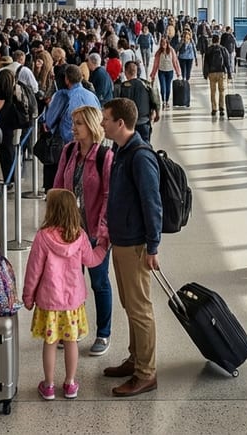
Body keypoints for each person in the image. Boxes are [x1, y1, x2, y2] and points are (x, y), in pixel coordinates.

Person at [100, 98, 163, 397]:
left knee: (140, 309)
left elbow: (153, 203)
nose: (102, 124)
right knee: (129, 304)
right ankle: (136, 358)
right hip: (121, 239)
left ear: (120, 123)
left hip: (136, 243)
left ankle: (146, 373)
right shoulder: (121, 150)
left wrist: (153, 246)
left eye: (106, 119)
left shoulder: (140, 156)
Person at [23, 189, 111, 401]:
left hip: (49, 301)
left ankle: (49, 385)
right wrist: (104, 246)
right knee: (72, 342)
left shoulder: (43, 237)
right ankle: (71, 384)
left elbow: (33, 270)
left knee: (50, 343)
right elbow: (91, 261)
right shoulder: (80, 237)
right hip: (72, 303)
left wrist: (28, 297)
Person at [53, 105, 115, 357]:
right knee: (71, 281)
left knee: (99, 282)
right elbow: (58, 187)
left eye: (78, 123)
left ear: (90, 126)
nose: (73, 128)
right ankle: (72, 328)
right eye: (73, 122)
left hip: (94, 232)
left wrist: (102, 231)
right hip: (70, 231)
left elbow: (109, 195)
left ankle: (104, 332)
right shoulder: (68, 152)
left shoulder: (104, 156)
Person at [116, 62, 160, 143]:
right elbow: (155, 100)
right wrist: (157, 113)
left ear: (125, 72)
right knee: (145, 145)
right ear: (136, 71)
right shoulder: (146, 85)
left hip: (127, 124)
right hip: (144, 121)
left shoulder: (120, 87)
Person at [203, 35, 232, 117]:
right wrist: (229, 74)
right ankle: (222, 108)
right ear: (219, 40)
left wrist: (205, 74)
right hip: (221, 72)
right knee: (222, 91)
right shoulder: (223, 49)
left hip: (212, 73)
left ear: (212, 41)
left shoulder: (209, 50)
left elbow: (206, 63)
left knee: (213, 92)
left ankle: (214, 108)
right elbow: (227, 62)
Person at [149, 36, 181, 110]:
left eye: (165, 43)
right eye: (162, 43)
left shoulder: (171, 51)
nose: (163, 44)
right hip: (161, 72)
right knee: (163, 87)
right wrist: (153, 74)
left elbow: (175, 62)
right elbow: (155, 64)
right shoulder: (159, 53)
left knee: (168, 87)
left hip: (169, 71)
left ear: (167, 43)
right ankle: (163, 101)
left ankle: (166, 101)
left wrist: (178, 72)